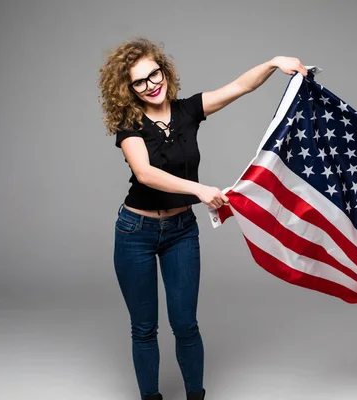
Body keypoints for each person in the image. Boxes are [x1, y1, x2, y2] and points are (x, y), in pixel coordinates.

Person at [97, 36, 308, 400]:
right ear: (128, 89)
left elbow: (240, 87)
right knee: (144, 328)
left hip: (181, 231)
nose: (152, 85)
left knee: (185, 325)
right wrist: (198, 190)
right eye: (140, 81)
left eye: (155, 74)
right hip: (136, 232)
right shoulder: (129, 124)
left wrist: (273, 63)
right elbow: (145, 173)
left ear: (165, 70)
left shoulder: (188, 111)